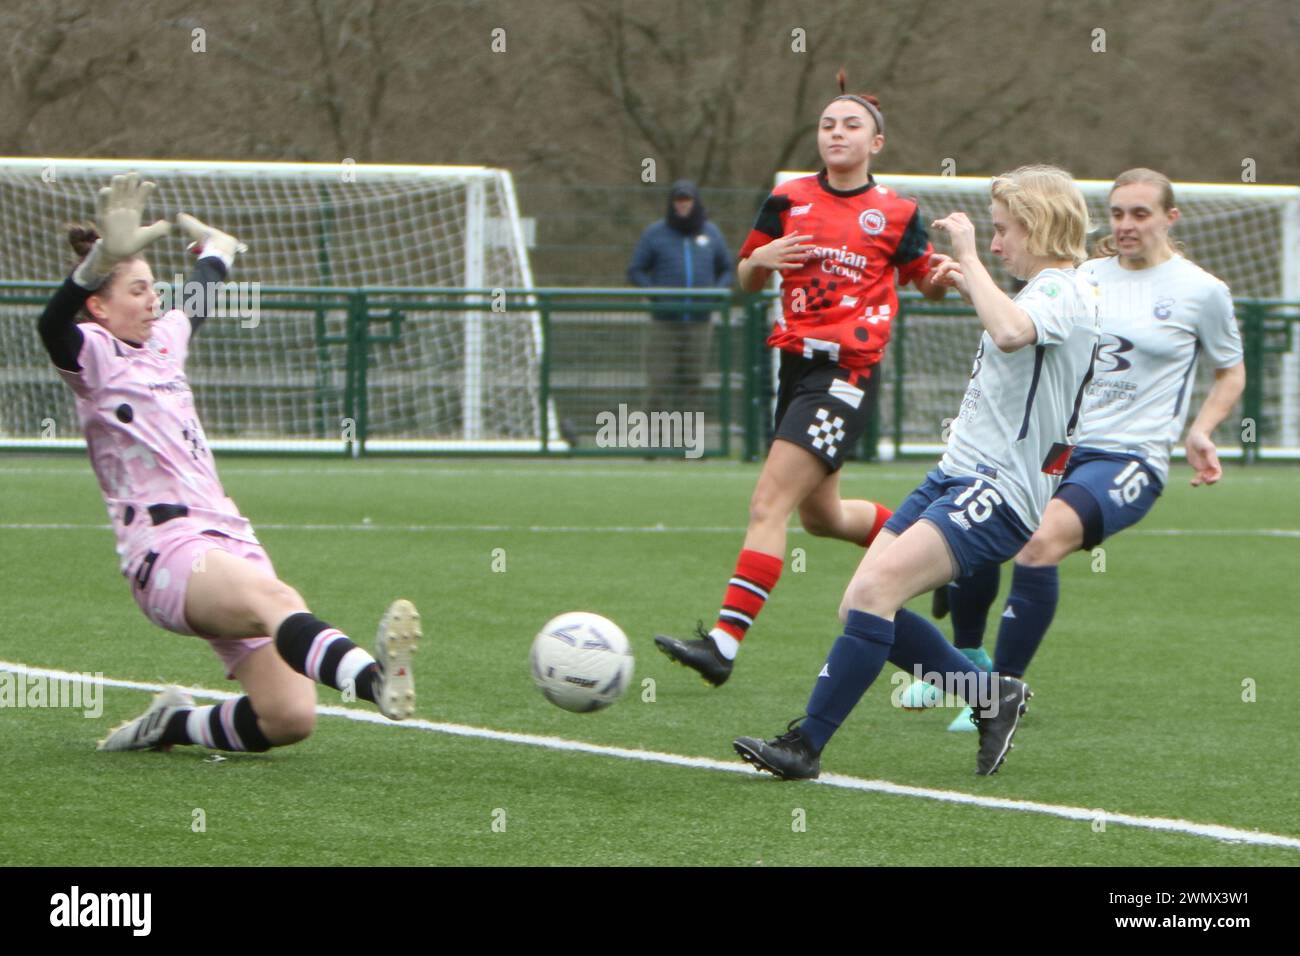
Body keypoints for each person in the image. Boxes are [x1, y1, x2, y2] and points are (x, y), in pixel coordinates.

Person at [733, 165, 1101, 778]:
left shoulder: (1064, 289)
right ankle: (990, 697)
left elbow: (1011, 332)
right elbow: (1015, 326)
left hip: (999, 490)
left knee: (877, 595)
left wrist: (965, 260)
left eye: (1004, 229)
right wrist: (967, 282)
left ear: (1038, 225)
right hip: (956, 477)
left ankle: (805, 747)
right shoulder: (1045, 293)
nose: (995, 241)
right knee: (858, 605)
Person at [36, 173, 422, 755]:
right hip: (167, 550)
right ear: (99, 305)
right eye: (136, 289)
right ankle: (374, 678)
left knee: (289, 717)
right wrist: (97, 261)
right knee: (279, 602)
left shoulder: (165, 339)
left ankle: (171, 726)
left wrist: (217, 250)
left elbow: (201, 290)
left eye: (152, 286)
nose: (153, 299)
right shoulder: (92, 355)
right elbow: (50, 325)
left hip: (229, 536)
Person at [903, 168, 1246, 727]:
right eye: (1117, 213)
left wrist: (1202, 430)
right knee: (981, 524)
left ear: (1170, 218)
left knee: (1038, 544)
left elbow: (1230, 371)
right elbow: (1023, 332)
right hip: (1058, 444)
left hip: (1128, 457)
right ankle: (968, 656)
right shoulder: (1082, 275)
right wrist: (968, 283)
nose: (1127, 224)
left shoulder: (1201, 291)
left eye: (1141, 213)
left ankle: (1000, 694)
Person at [654, 74, 950, 687]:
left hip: (845, 372)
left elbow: (926, 281)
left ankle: (724, 644)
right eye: (827, 124)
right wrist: (756, 262)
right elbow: (746, 278)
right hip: (795, 367)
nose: (837, 133)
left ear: (877, 143)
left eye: (851, 125)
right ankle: (942, 552)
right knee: (823, 517)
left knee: (768, 504)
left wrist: (951, 271)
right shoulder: (788, 198)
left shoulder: (896, 213)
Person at [627, 179, 733, 417]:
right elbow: (636, 270)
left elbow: (727, 269)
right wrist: (656, 295)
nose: (683, 205)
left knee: (693, 382)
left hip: (699, 322)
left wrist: (715, 294)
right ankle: (656, 442)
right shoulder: (655, 234)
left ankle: (689, 443)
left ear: (695, 203)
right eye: (679, 201)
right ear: (672, 204)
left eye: (687, 200)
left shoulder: (711, 233)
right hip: (664, 322)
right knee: (659, 381)